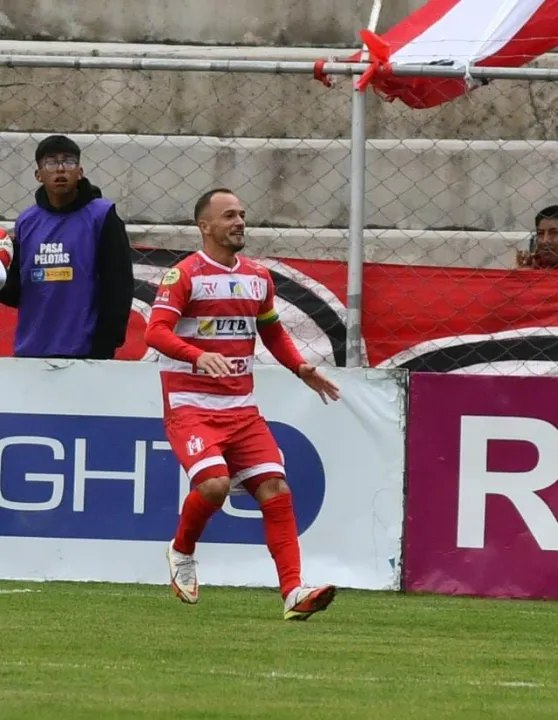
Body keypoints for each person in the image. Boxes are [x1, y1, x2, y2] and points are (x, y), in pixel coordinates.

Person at [144, 187, 342, 621]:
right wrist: (198, 355)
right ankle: (181, 552)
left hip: (242, 408)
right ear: (205, 226)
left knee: (277, 490)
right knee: (214, 486)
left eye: (242, 214)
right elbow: (155, 332)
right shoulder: (185, 275)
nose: (239, 222)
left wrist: (300, 368)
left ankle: (293, 592)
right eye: (229, 215)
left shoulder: (258, 276)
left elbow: (270, 330)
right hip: (190, 405)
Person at [0, 135, 133, 359]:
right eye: (51, 162)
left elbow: (119, 286)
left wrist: (105, 345)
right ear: (38, 175)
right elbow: (16, 292)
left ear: (80, 172)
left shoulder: (102, 216)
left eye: (69, 161)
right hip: (32, 350)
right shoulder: (26, 222)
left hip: (86, 350)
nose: (61, 169)